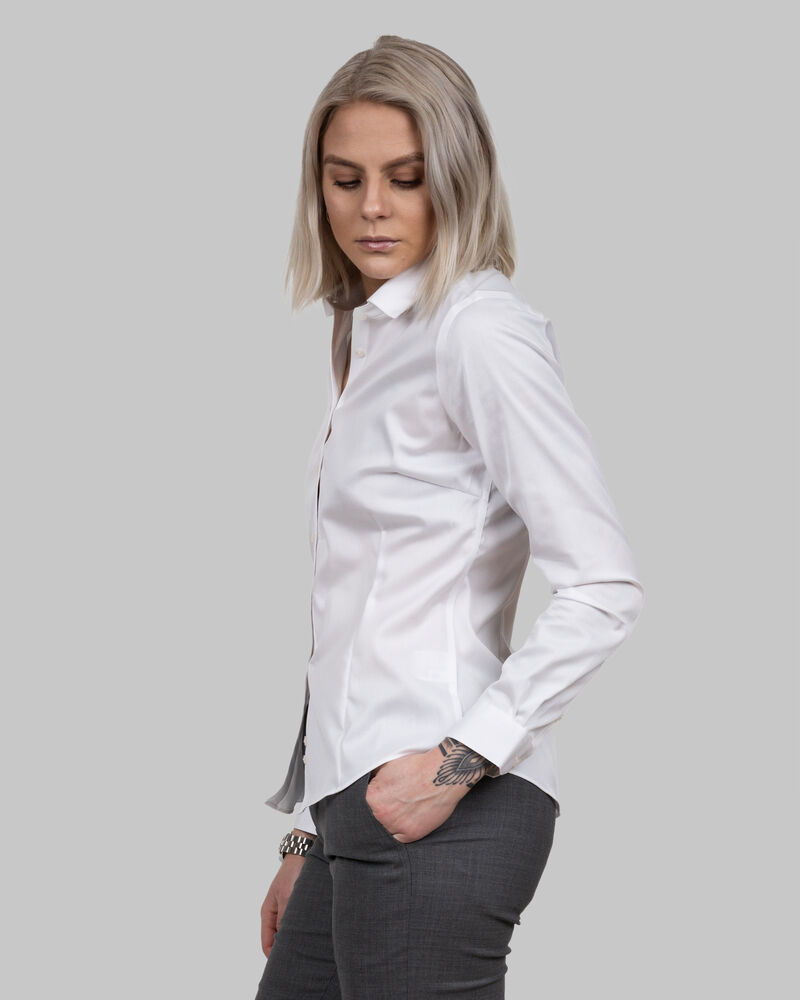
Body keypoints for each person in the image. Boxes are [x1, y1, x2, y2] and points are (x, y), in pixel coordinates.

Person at [255, 34, 644, 1000]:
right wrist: (310, 834)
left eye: (406, 177)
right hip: (358, 805)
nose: (372, 207)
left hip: (445, 806)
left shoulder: (479, 331)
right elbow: (354, 620)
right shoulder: (369, 335)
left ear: (458, 179)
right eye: (345, 178)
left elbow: (603, 585)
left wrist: (459, 763)